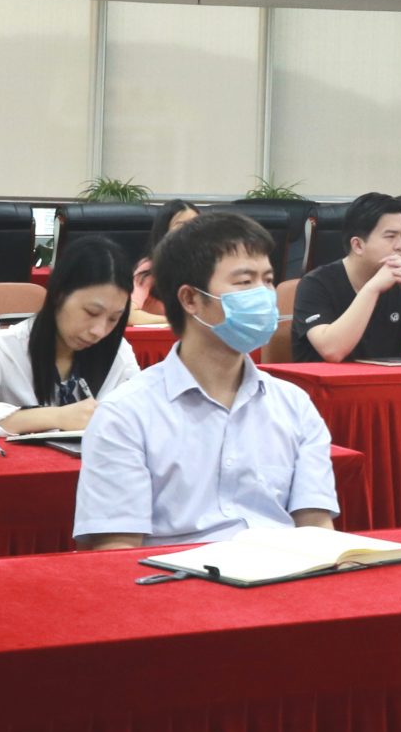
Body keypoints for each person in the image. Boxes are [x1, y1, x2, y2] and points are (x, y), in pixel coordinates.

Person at [74, 212, 339, 548]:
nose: (263, 295)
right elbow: (116, 549)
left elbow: (317, 527)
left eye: (268, 280)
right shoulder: (126, 414)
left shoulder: (294, 404)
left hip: (283, 572)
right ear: (190, 299)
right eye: (244, 282)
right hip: (173, 576)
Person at [0, 236, 142, 436]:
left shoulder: (119, 351)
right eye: (91, 312)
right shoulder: (4, 347)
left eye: (113, 319)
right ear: (59, 294)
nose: (99, 331)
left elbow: (143, 414)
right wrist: (57, 417)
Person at [290, 192, 401, 362]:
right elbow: (332, 350)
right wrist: (372, 288)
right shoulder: (316, 284)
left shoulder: (399, 285)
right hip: (327, 379)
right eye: (390, 237)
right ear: (358, 245)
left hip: (384, 379)